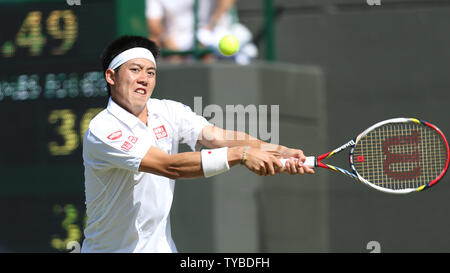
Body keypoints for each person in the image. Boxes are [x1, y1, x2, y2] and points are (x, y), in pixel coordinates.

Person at [80, 35, 314, 253]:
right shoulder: (103, 129)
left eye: (151, 72)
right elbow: (168, 166)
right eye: (135, 70)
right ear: (111, 76)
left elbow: (216, 136)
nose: (144, 78)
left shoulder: (168, 110)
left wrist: (278, 151)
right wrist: (241, 155)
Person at [145, 0, 257, 64]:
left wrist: (212, 24)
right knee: (152, 43)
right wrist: (166, 40)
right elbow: (154, 24)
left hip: (212, 32)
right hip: (179, 39)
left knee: (243, 39)